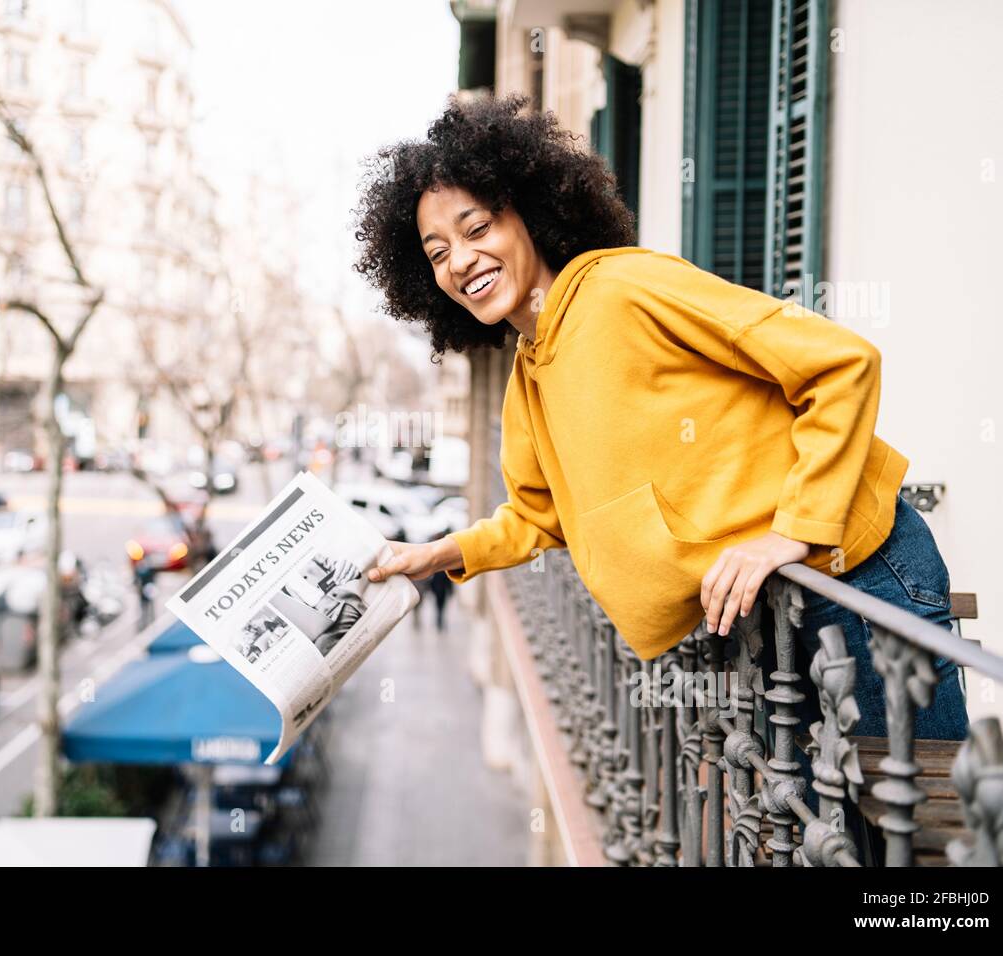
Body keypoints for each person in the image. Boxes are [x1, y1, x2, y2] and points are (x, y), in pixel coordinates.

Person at [353, 93, 968, 845]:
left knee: (932, 851)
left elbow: (842, 364)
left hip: (862, 581)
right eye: (437, 251)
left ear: (528, 215)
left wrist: (791, 533)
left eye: (476, 227)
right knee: (840, 848)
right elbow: (541, 515)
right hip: (775, 628)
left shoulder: (623, 289)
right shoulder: (531, 373)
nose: (460, 261)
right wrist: (441, 553)